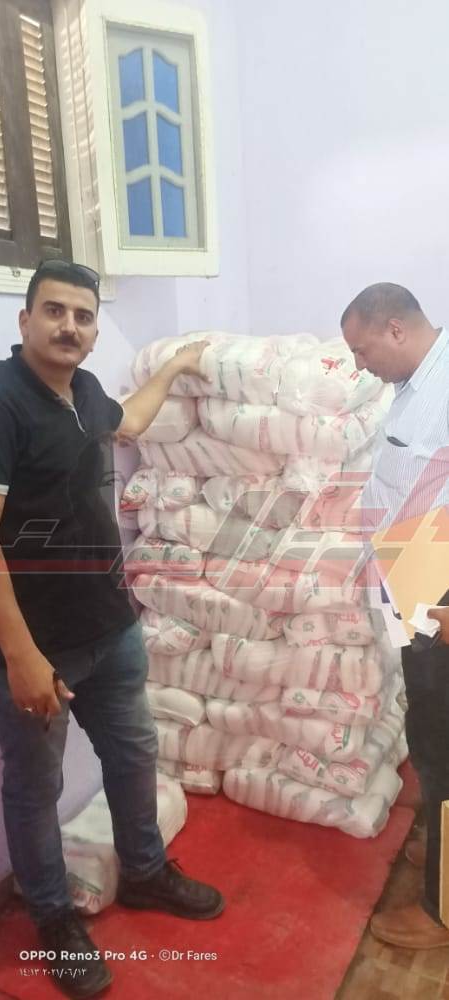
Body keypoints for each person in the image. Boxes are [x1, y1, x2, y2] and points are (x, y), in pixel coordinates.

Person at [0, 259, 224, 999]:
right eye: (54, 311)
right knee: (36, 788)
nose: (69, 326)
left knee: (133, 753)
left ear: (94, 331)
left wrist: (177, 367)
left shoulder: (85, 392)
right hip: (40, 646)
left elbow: (128, 420)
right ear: (25, 319)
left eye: (83, 316)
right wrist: (21, 655)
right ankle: (54, 918)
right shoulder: (4, 401)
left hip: (111, 625)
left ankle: (147, 871)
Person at [341, 282, 449, 949]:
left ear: (395, 330)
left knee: (443, 746)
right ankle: (442, 850)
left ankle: (443, 908)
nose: (360, 365)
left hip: (439, 592)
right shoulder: (414, 386)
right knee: (427, 733)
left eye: (362, 350)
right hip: (413, 576)